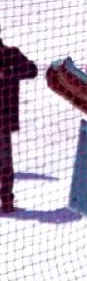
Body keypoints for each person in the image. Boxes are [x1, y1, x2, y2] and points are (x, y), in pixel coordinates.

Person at [0, 37, 37, 213]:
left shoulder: (11, 54)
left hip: (3, 118)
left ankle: (7, 200)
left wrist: (9, 71)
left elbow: (32, 70)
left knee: (5, 161)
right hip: (4, 119)